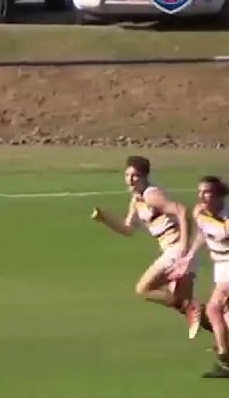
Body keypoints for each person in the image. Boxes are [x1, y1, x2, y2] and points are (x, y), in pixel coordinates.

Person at [91, 156, 205, 339]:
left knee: (144, 289)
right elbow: (128, 230)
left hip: (175, 250)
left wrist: (183, 246)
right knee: (187, 309)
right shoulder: (137, 201)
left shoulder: (151, 195)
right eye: (127, 175)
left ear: (144, 177)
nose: (130, 180)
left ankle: (190, 306)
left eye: (135, 176)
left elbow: (182, 210)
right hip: (173, 253)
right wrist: (105, 219)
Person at [173, 176, 229, 377]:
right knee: (225, 316)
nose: (201, 196)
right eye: (200, 192)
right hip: (220, 266)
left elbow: (220, 231)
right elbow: (203, 233)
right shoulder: (200, 212)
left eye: (207, 192)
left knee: (214, 309)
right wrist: (189, 256)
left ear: (220, 196)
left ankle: (225, 359)